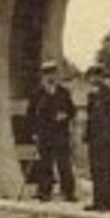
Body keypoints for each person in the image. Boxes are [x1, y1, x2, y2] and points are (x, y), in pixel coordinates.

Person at [26, 59, 77, 202]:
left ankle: (68, 192)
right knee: (44, 164)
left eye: (53, 73)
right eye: (47, 74)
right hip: (45, 133)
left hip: (60, 133)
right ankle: (44, 191)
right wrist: (34, 132)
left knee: (64, 164)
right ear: (43, 76)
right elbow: (30, 114)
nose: (50, 77)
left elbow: (72, 110)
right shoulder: (38, 94)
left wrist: (65, 115)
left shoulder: (64, 93)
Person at [82, 66, 110, 212]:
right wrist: (87, 135)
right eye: (91, 77)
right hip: (94, 138)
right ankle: (97, 201)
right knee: (96, 170)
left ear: (100, 77)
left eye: (95, 76)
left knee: (106, 169)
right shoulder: (92, 96)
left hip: (105, 138)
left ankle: (107, 203)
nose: (92, 80)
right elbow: (90, 118)